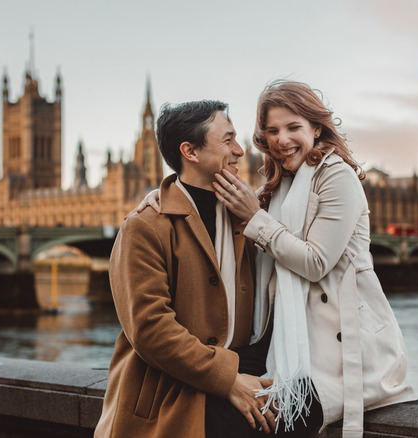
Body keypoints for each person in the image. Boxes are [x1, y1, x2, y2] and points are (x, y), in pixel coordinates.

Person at [139, 81, 416, 438]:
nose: (282, 139)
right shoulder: (279, 184)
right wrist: (165, 193)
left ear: (316, 128)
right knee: (194, 404)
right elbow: (204, 191)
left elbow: (316, 261)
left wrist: (255, 218)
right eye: (272, 131)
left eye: (293, 128)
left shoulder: (336, 177)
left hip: (337, 353)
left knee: (226, 420)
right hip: (283, 344)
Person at [94, 100, 277, 438]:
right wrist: (228, 381)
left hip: (243, 371)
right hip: (169, 394)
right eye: (228, 140)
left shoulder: (248, 216)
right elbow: (151, 329)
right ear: (190, 151)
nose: (239, 150)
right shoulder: (145, 226)